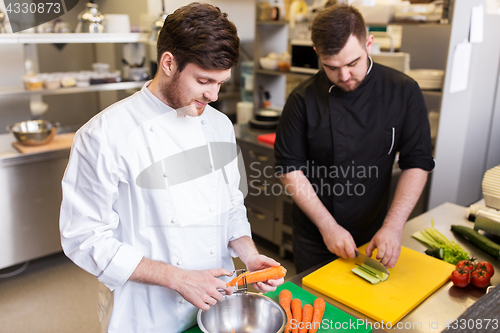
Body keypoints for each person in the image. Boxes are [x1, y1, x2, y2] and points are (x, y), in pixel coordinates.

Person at [59, 3, 283, 332]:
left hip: (217, 302)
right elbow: (85, 238)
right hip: (146, 313)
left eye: (221, 83)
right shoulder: (104, 135)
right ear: (168, 63)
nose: (214, 95)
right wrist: (178, 279)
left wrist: (249, 254)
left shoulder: (219, 126)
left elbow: (231, 203)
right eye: (204, 80)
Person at [274, 4, 435, 274]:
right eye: (332, 67)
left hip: (375, 233)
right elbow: (290, 170)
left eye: (353, 63)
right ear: (317, 54)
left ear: (369, 43)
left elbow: (417, 162)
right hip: (315, 233)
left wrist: (393, 227)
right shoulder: (302, 99)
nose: (345, 76)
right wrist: (327, 226)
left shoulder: (403, 91)